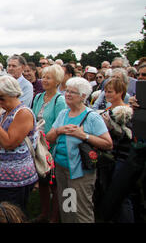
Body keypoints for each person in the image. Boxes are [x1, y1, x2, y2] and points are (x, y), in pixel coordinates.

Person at [45, 77, 112, 223]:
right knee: (67, 207)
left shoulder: (92, 117)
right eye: (67, 91)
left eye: (72, 92)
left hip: (80, 172)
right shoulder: (64, 114)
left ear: (83, 96)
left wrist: (84, 136)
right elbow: (49, 137)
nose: (67, 94)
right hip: (61, 168)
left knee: (81, 211)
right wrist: (59, 131)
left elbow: (108, 144)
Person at [0, 75, 38, 212]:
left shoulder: (23, 113)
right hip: (3, 177)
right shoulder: (4, 113)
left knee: (13, 215)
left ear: (14, 95)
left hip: (16, 179)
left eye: (2, 98)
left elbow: (8, 143)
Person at [31, 64, 67, 223]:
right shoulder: (38, 97)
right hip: (38, 145)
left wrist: (47, 139)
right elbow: (32, 118)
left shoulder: (60, 101)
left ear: (57, 81)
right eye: (43, 76)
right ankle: (44, 213)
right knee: (42, 180)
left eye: (48, 77)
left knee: (55, 184)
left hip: (52, 146)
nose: (44, 80)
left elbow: (59, 124)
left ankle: (55, 217)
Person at [98, 78, 134, 222]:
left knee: (121, 193)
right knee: (109, 192)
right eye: (105, 91)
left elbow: (128, 136)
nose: (107, 94)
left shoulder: (126, 112)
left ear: (120, 92)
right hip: (108, 158)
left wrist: (111, 127)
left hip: (121, 157)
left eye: (110, 91)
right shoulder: (107, 109)